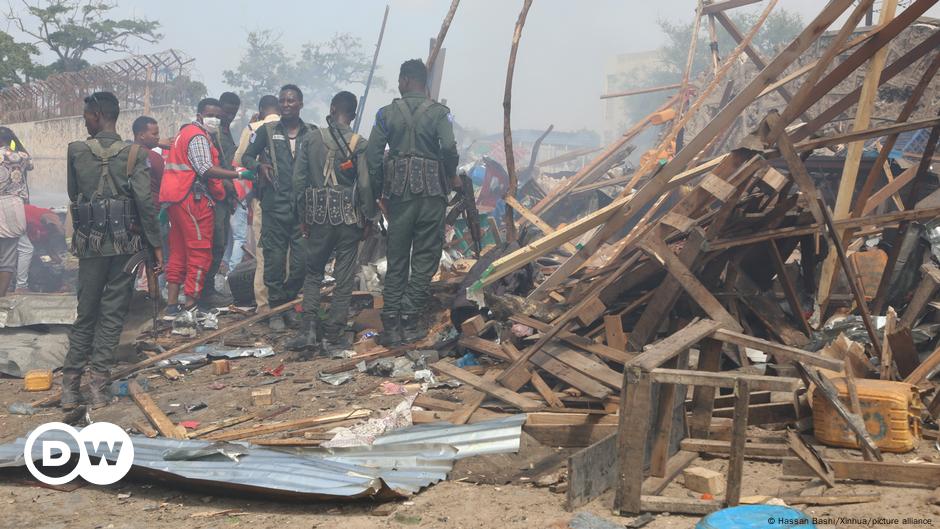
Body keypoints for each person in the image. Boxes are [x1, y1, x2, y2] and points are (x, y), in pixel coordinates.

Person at [62, 91, 163, 409]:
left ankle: (69, 387)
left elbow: (74, 193)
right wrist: (156, 245)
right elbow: (145, 204)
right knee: (112, 314)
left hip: (91, 246)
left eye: (86, 116)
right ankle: (98, 385)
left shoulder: (76, 151)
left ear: (97, 115)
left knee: (85, 313)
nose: (86, 122)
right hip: (125, 246)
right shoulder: (135, 154)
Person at [366, 59, 459, 346]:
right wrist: (449, 175)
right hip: (431, 194)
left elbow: (372, 158)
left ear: (405, 80)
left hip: (399, 195)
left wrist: (379, 190)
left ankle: (391, 323)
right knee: (426, 257)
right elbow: (449, 148)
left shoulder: (385, 114)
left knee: (396, 258)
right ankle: (409, 316)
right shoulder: (441, 113)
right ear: (425, 82)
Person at [288, 91, 375, 356]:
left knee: (313, 273)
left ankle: (308, 330)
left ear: (332, 108)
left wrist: (302, 215)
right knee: (344, 276)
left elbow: (298, 182)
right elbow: (365, 185)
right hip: (349, 218)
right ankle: (334, 334)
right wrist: (369, 216)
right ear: (354, 113)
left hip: (317, 217)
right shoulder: (360, 143)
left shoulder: (311, 139)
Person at [160, 98, 252, 317]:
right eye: (212, 115)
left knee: (179, 253)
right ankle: (191, 306)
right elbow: (205, 168)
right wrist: (237, 174)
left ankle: (172, 306)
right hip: (193, 200)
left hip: (176, 200)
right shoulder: (198, 136)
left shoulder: (184, 133)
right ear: (200, 115)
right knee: (200, 253)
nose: (216, 120)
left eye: (219, 117)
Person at [240, 85, 310, 329]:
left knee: (301, 263)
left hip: (302, 211)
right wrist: (259, 166)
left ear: (301, 103)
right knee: (274, 261)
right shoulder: (267, 131)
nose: (286, 104)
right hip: (274, 207)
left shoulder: (310, 133)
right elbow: (245, 158)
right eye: (282, 100)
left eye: (291, 100)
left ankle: (288, 302)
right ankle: (277, 311)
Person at [233, 94, 280, 306]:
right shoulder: (293, 127)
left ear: (260, 110)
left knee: (263, 252)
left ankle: (263, 303)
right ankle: (285, 299)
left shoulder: (254, 129)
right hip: (289, 200)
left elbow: (239, 159)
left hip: (263, 198)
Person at [200, 91, 242, 307]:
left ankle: (206, 290)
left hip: (223, 197)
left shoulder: (224, 133)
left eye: (232, 113)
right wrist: (231, 183)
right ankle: (203, 292)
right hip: (210, 197)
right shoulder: (206, 136)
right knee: (212, 245)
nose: (228, 117)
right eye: (226, 112)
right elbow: (210, 169)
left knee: (219, 244)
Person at [0, 127, 32, 297]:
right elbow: (30, 166)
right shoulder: (22, 156)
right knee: (7, 260)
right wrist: (16, 145)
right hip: (13, 208)